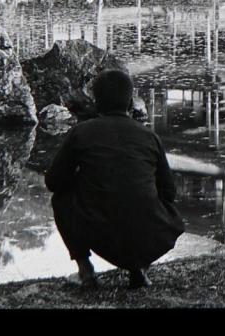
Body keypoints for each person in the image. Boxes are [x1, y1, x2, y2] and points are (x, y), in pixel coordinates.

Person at [45, 69, 185, 289]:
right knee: (153, 202)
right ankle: (139, 267)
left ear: (96, 103)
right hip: (148, 233)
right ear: (130, 103)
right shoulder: (150, 136)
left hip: (97, 229)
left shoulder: (81, 133)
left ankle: (86, 270)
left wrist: (82, 179)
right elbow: (169, 192)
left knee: (61, 198)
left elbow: (53, 182)